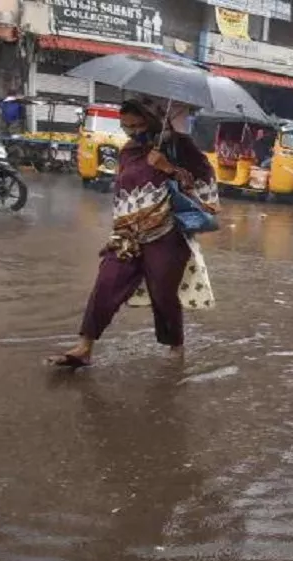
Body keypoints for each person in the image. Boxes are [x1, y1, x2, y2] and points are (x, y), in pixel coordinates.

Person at [48, 100, 218, 368]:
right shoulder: (128, 150)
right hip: (127, 235)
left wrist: (168, 168)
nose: (132, 132)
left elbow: (204, 182)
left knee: (163, 293)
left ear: (151, 120)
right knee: (106, 283)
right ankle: (84, 347)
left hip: (167, 233)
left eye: (137, 126)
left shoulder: (179, 147)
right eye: (125, 126)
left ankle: (176, 347)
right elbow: (124, 191)